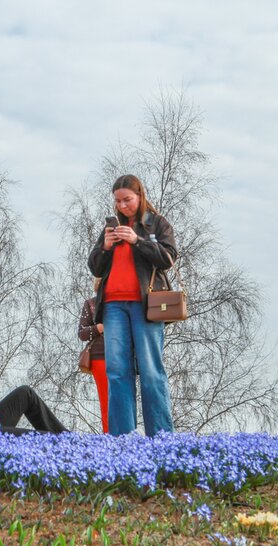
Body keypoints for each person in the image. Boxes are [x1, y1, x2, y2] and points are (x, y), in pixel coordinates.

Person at [87, 174, 177, 437]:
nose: (122, 205)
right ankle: (122, 440)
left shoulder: (155, 223)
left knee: (150, 371)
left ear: (140, 196)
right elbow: (94, 266)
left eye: (128, 200)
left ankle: (161, 438)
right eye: (118, 201)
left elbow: (169, 257)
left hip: (145, 305)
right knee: (117, 372)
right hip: (113, 306)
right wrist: (104, 247)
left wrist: (138, 241)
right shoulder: (111, 229)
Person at [78, 277, 108, 433]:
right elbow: (82, 333)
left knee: (124, 400)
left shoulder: (124, 304)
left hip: (123, 355)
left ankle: (124, 436)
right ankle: (109, 437)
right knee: (106, 400)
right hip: (100, 356)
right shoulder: (91, 303)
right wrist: (99, 328)